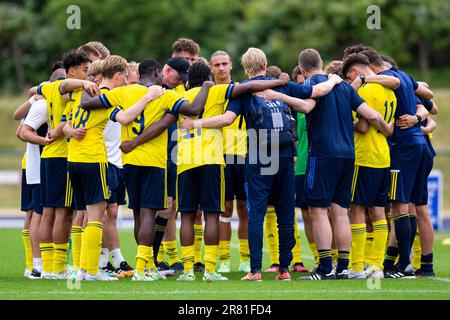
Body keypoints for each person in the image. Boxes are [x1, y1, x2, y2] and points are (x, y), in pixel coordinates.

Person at [180, 47, 345, 281]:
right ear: (266, 64)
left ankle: (255, 270)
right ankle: (285, 269)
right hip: (286, 154)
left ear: (246, 68)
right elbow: (315, 93)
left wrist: (196, 124)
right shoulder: (283, 85)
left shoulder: (245, 92)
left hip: (259, 155)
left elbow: (227, 120)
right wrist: (334, 79)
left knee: (256, 212)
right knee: (285, 213)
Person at [255, 48, 392, 280]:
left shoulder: (310, 86)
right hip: (348, 155)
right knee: (340, 212)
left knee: (318, 211)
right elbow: (370, 114)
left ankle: (326, 266)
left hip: (323, 154)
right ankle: (344, 266)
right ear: (320, 62)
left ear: (303, 69)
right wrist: (387, 128)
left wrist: (276, 96)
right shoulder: (344, 87)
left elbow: (306, 107)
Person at [81, 58, 212, 281]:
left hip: (129, 162)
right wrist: (207, 86)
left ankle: (148, 265)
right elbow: (195, 108)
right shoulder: (165, 94)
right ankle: (142, 268)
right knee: (150, 214)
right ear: (158, 72)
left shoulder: (124, 92)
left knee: (138, 214)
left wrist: (87, 83)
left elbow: (87, 103)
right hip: (153, 162)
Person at [360, 48, 433, 278]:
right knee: (415, 207)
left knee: (400, 206)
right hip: (420, 145)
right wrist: (418, 116)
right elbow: (428, 97)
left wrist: (365, 79)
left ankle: (405, 266)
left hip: (403, 148)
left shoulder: (385, 80)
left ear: (372, 66)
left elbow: (392, 81)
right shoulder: (406, 77)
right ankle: (421, 266)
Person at [34, 51, 97, 279]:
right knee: (63, 213)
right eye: (84, 70)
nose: (87, 75)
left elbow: (36, 89)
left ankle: (48, 267)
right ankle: (58, 268)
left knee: (48, 212)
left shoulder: (47, 88)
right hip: (62, 155)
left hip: (47, 156)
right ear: (72, 72)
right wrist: (84, 83)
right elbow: (66, 85)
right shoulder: (65, 87)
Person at [341, 53, 397, 279]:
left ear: (356, 72)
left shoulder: (364, 90)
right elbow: (388, 127)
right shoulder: (390, 91)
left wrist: (345, 122)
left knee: (356, 209)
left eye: (348, 77)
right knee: (378, 211)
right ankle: (376, 266)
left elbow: (363, 126)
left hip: (364, 156)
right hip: (383, 156)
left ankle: (355, 266)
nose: (348, 81)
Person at [210, 50, 250, 273]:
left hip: (243, 156)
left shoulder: (240, 91)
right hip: (219, 157)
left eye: (225, 63)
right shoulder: (209, 92)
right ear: (211, 67)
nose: (221, 68)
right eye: (217, 65)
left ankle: (244, 258)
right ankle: (224, 259)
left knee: (244, 209)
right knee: (223, 209)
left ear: (231, 65)